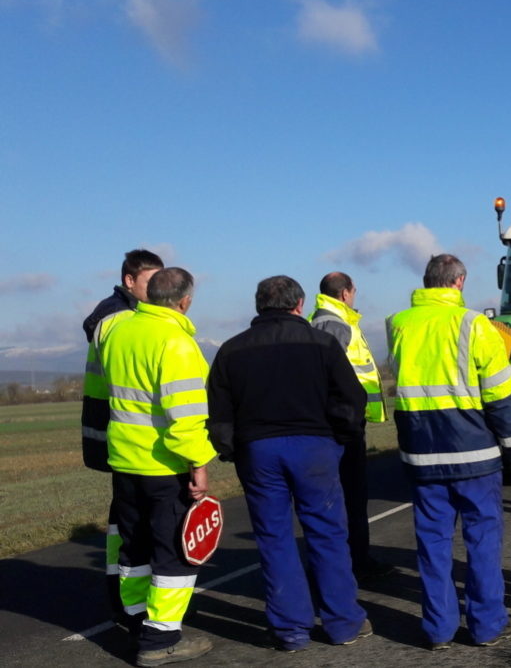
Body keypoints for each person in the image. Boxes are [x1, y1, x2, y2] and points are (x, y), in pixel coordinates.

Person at [206, 276, 371, 652]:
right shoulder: (322, 344)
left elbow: (218, 413)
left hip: (258, 452)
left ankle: (290, 630)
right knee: (328, 534)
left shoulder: (231, 350)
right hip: (314, 446)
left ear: (259, 306)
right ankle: (343, 623)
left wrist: (231, 449)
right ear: (298, 305)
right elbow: (352, 398)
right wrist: (340, 439)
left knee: (274, 538)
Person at [387, 254, 511, 649]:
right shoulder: (474, 325)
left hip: (422, 453)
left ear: (428, 281)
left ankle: (438, 629)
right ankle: (486, 625)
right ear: (459, 282)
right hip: (474, 452)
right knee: (481, 540)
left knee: (432, 543)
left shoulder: (398, 324)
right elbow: (502, 394)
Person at [98, 268, 216, 666]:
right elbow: (184, 417)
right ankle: (162, 637)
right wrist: (199, 462)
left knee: (134, 545)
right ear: (185, 300)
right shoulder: (176, 341)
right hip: (163, 466)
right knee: (174, 552)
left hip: (124, 461)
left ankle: (136, 619)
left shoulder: (117, 332)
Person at [80, 249, 164, 634]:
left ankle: (135, 603)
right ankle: (130, 605)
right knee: (131, 531)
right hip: (127, 436)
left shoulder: (122, 313)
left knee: (128, 526)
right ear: (130, 281)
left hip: (122, 434)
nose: (159, 289)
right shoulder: (117, 317)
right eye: (152, 281)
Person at [309, 271, 392, 579]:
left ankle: (354, 559)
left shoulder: (333, 321)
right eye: (354, 291)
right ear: (345, 293)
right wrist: (346, 418)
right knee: (350, 496)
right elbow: (329, 377)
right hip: (343, 426)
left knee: (348, 496)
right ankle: (355, 562)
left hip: (344, 422)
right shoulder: (333, 324)